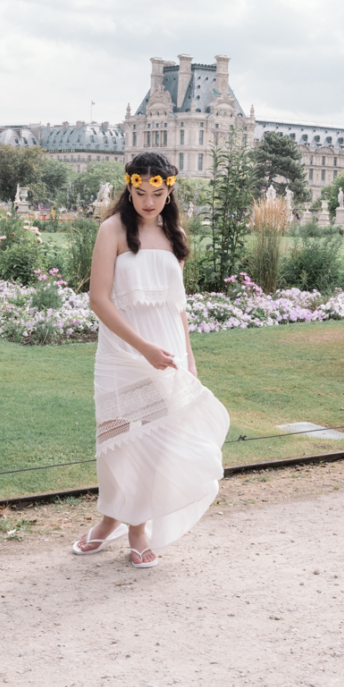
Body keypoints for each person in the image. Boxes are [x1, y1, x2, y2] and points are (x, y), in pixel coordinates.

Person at [73, 151, 230, 568]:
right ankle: (111, 519)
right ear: (128, 187)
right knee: (116, 441)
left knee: (160, 443)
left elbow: (178, 307)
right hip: (123, 352)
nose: (147, 201)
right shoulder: (112, 230)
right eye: (139, 191)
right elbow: (98, 299)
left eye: (155, 194)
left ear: (169, 192)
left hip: (169, 352)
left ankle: (135, 528)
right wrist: (142, 347)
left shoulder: (174, 233)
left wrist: (188, 356)